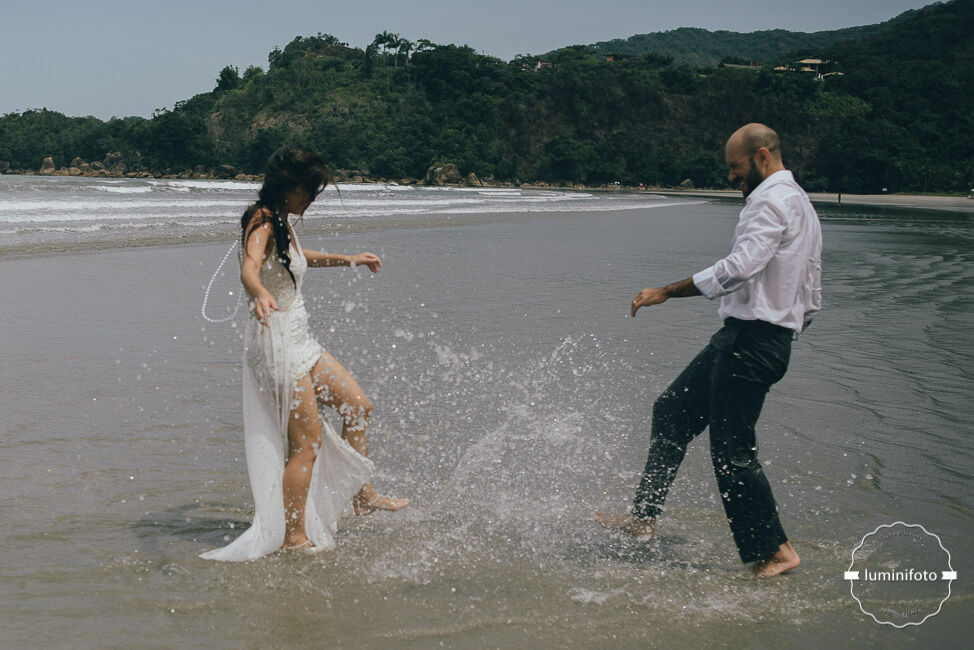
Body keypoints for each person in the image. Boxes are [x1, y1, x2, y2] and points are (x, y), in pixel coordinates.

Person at [595, 123, 822, 577]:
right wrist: (787, 328)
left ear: (761, 157)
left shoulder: (771, 202)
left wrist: (666, 290)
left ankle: (776, 550)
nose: (731, 178)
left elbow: (739, 269)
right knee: (673, 413)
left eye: (736, 169)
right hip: (746, 338)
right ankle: (643, 519)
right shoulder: (798, 202)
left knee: (732, 451)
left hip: (753, 341)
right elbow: (811, 290)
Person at [200, 146, 408, 561]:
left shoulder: (283, 221)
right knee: (307, 442)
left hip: (300, 338)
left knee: (358, 406)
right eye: (308, 190)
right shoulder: (261, 221)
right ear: (286, 184)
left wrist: (348, 258)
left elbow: (297, 259)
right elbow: (250, 268)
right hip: (274, 345)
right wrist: (259, 294)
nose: (311, 199)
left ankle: (362, 496)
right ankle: (295, 535)